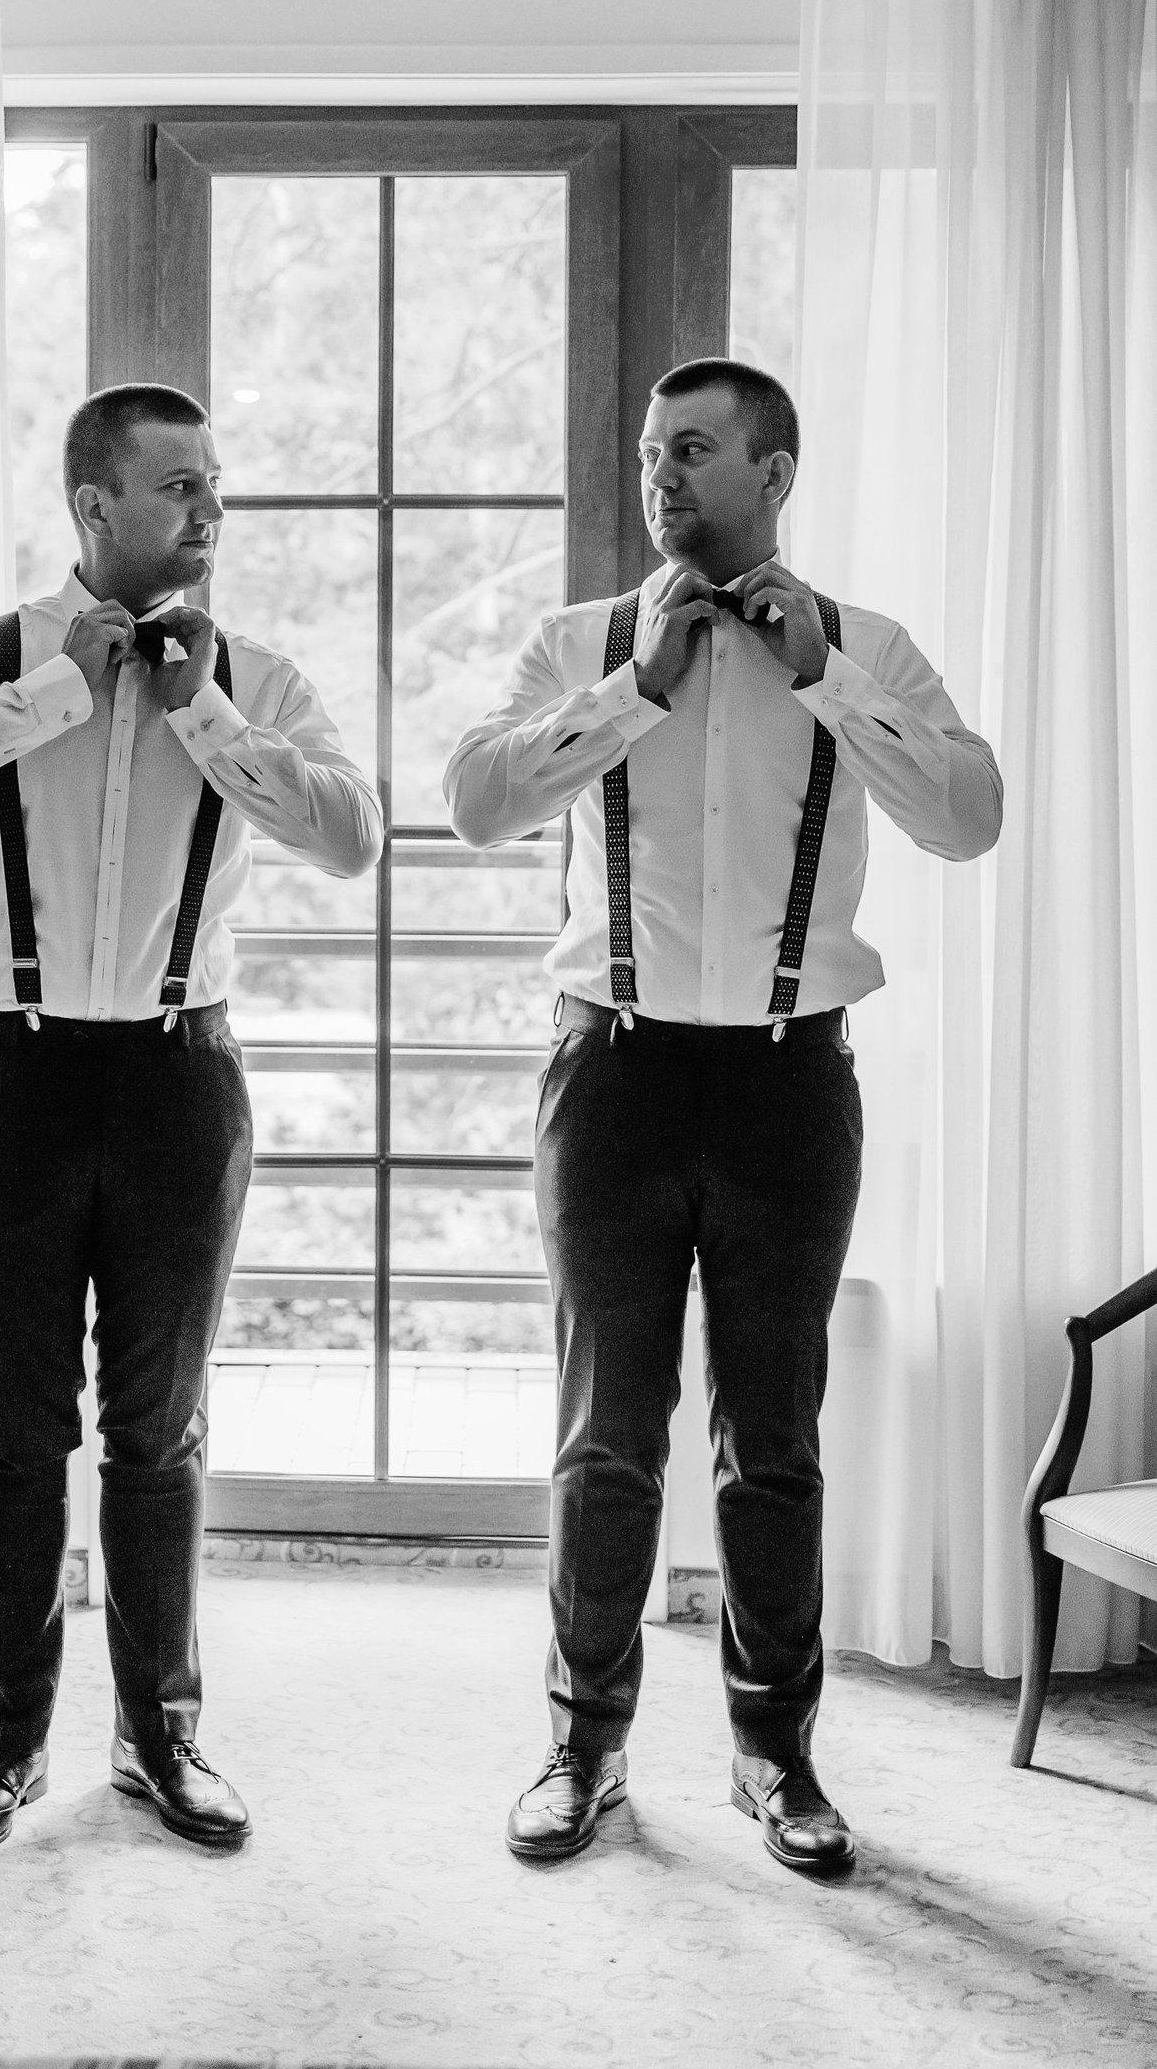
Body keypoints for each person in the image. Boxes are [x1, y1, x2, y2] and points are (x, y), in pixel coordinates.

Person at [445, 358, 1002, 1877]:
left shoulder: (867, 647)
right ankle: (583, 1747)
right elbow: (480, 802)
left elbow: (967, 818)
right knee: (605, 1438)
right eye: (651, 452)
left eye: (692, 450)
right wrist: (633, 691)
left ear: (776, 470)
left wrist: (825, 678)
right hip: (612, 1078)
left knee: (775, 1438)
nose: (661, 476)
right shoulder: (580, 642)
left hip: (787, 1082)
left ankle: (775, 1756)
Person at [0, 382, 380, 1862]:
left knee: (160, 1427)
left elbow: (351, 838)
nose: (213, 511)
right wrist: (53, 695)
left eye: (215, 485)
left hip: (177, 1080)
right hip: (7, 1079)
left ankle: (160, 1737)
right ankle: (4, 1746)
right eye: (182, 486)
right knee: (16, 1425)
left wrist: (200, 710)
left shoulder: (252, 674)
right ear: (96, 505)